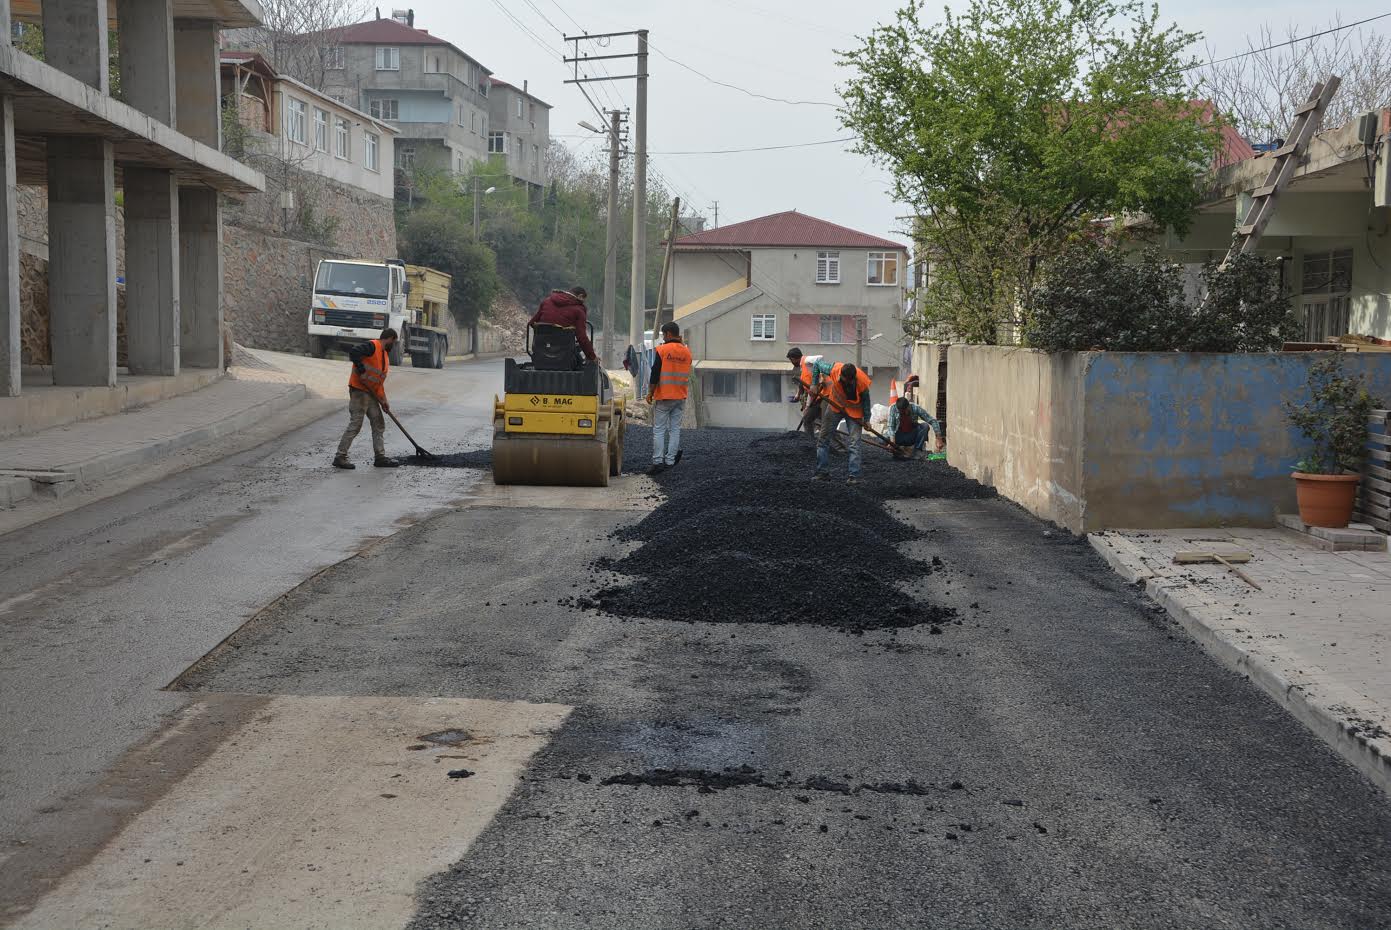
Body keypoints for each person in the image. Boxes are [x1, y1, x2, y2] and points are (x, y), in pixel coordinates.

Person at [333, 327, 399, 470]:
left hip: (371, 394)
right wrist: (361, 371)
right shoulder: (372, 346)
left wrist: (384, 401)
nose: (393, 345)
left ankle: (380, 457)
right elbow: (354, 352)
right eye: (393, 341)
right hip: (359, 391)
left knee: (378, 423)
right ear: (389, 338)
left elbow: (378, 383)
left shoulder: (385, 356)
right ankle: (340, 457)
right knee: (356, 423)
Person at [813, 362, 872, 484]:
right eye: (844, 380)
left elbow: (866, 402)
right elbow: (817, 365)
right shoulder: (834, 369)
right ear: (841, 375)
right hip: (836, 405)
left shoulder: (862, 382)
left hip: (854, 411)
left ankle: (853, 476)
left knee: (854, 443)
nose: (846, 383)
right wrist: (814, 384)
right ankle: (822, 473)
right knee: (823, 440)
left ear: (853, 378)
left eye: (849, 382)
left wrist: (867, 420)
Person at [646, 321, 692, 474]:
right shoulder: (687, 352)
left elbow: (655, 373)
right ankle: (670, 461)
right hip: (680, 397)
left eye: (663, 335)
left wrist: (650, 393)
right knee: (674, 430)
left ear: (668, 334)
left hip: (664, 396)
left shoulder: (662, 350)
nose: (663, 338)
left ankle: (658, 462)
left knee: (659, 430)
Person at [530, 286, 597, 365]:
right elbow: (581, 337)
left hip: (542, 351)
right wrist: (592, 357)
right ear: (580, 296)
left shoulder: (546, 301)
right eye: (583, 300)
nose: (583, 303)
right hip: (565, 356)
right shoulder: (579, 309)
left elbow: (532, 323)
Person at [788, 347, 834, 437]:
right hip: (817, 397)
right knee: (807, 419)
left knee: (826, 423)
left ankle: (839, 447)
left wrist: (821, 375)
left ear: (793, 358)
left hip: (826, 394)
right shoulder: (804, 370)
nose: (791, 362)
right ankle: (810, 443)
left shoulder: (806, 360)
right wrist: (807, 406)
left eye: (791, 360)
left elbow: (820, 357)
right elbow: (809, 390)